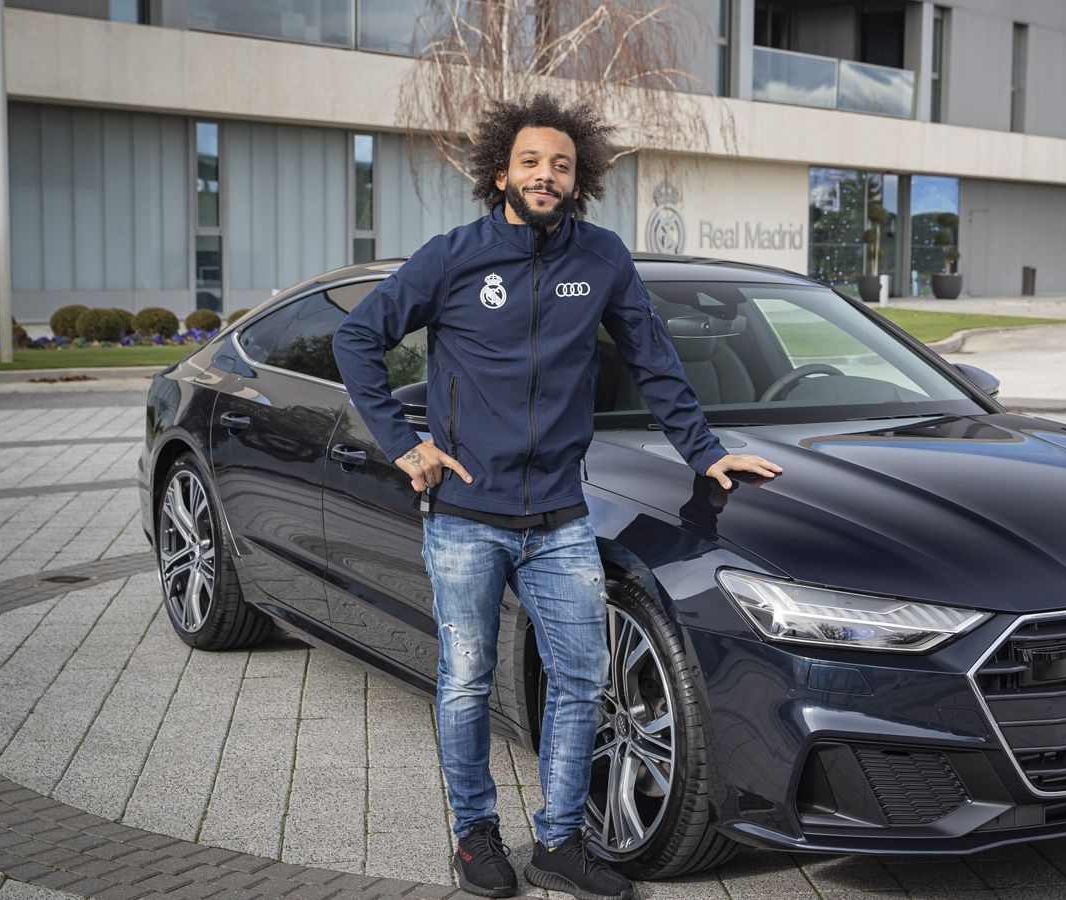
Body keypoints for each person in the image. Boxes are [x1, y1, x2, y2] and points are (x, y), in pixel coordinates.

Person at [331, 93, 781, 900]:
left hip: (560, 518)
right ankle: (474, 834)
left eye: (562, 166)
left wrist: (707, 453)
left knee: (580, 679)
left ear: (581, 179)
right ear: (501, 172)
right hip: (466, 517)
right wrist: (405, 445)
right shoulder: (453, 257)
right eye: (532, 162)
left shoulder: (602, 259)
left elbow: (654, 361)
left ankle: (560, 841)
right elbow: (357, 337)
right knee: (465, 681)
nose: (547, 175)